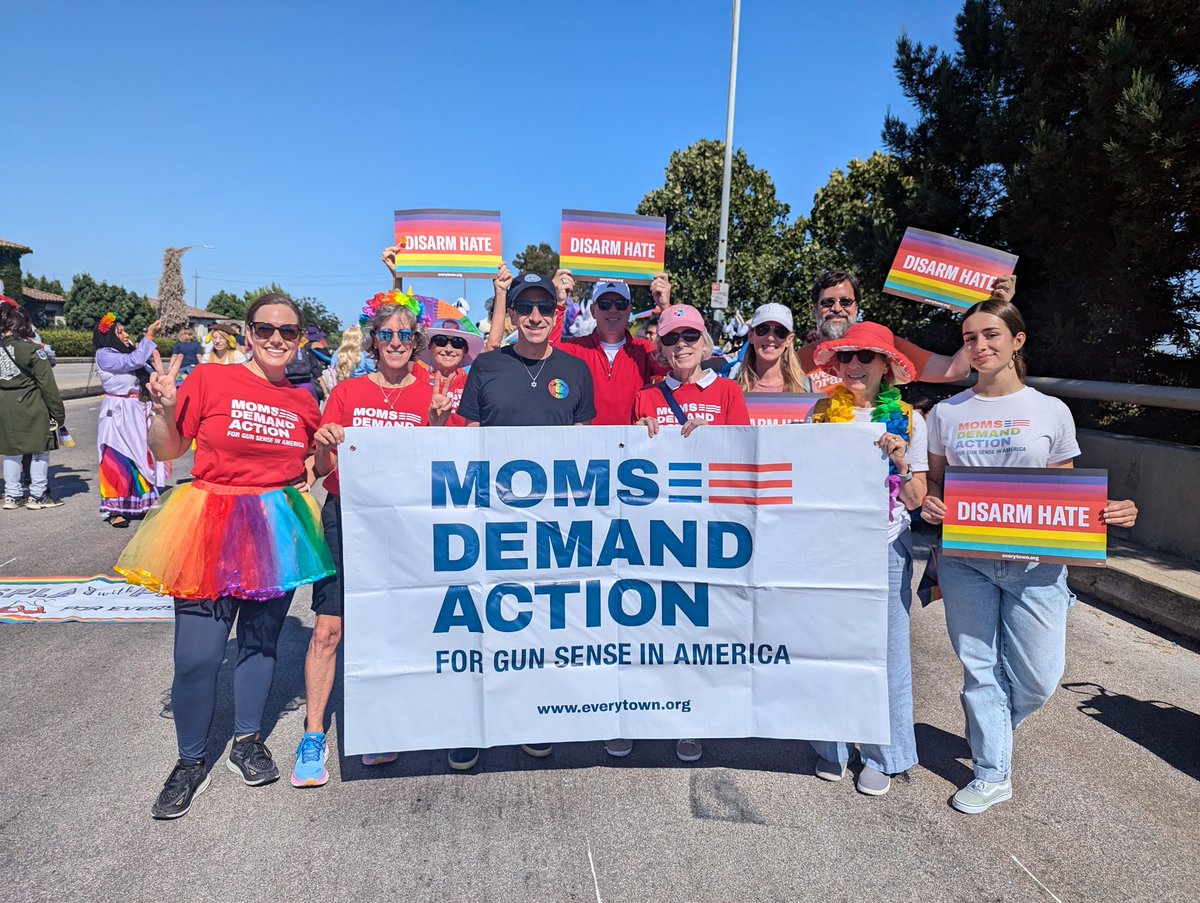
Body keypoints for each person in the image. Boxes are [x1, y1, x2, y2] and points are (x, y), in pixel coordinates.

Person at [115, 292, 336, 820]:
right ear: (248, 333)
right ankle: (190, 761)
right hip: (209, 522)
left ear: (300, 337)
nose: (277, 340)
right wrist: (166, 410)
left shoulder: (305, 400)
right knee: (196, 656)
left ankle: (245, 740)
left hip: (276, 526)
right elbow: (168, 450)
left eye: (287, 331)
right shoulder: (211, 380)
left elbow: (318, 468)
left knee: (260, 645)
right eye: (265, 330)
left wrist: (325, 447)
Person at [920, 297, 1138, 814]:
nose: (980, 346)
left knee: (1040, 679)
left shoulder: (1050, 411)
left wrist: (1108, 513)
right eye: (970, 337)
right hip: (966, 560)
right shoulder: (947, 413)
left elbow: (1060, 490)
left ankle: (988, 722)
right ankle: (993, 772)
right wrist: (930, 502)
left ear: (1017, 341)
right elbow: (935, 482)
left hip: (1036, 567)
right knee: (980, 669)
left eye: (991, 335)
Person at [293, 294, 447, 787]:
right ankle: (313, 732)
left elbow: (447, 468)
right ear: (373, 340)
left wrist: (442, 426)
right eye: (387, 335)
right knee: (328, 630)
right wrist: (323, 443)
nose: (397, 343)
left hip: (406, 524)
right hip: (349, 516)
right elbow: (320, 473)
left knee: (393, 625)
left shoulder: (432, 392)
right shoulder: (348, 392)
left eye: (406, 335)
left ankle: (381, 722)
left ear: (416, 341)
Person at [450, 271, 596, 770]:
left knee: (538, 624)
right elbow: (465, 438)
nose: (535, 316)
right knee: (481, 623)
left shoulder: (576, 371)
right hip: (490, 519)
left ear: (556, 315)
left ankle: (533, 716)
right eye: (525, 308)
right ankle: (471, 724)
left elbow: (587, 449)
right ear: (511, 315)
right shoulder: (487, 365)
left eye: (544, 309)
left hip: (553, 524)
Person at [806, 322, 927, 796]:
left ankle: (884, 753)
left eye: (867, 357)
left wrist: (901, 460)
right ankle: (829, 746)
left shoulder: (911, 419)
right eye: (847, 357)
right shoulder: (819, 413)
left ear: (886, 366)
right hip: (830, 546)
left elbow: (916, 499)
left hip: (885, 544)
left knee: (888, 651)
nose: (855, 365)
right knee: (828, 646)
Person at [632, 303, 750, 763]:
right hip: (656, 530)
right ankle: (638, 714)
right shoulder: (646, 395)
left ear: (705, 342)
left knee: (697, 628)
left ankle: (690, 719)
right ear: (659, 348)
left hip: (709, 529)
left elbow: (745, 457)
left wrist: (714, 435)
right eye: (672, 339)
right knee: (649, 624)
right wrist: (638, 431)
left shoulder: (727, 392)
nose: (681, 346)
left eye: (689, 337)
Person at [800, 270, 1015, 394]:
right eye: (828, 302)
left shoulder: (882, 344)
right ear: (815, 308)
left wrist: (992, 308)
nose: (837, 308)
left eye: (845, 301)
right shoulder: (794, 359)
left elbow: (953, 370)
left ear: (857, 307)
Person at [545, 270, 671, 424]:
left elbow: (673, 364)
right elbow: (546, 358)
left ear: (629, 310)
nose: (613, 310)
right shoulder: (577, 348)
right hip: (587, 445)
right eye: (604, 304)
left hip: (631, 444)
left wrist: (665, 308)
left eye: (620, 304)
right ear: (593, 310)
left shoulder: (644, 349)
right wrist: (557, 302)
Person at [94, 313, 171, 527]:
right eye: (120, 332)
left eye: (124, 330)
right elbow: (132, 361)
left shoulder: (129, 354)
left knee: (140, 455)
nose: (126, 334)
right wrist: (149, 335)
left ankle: (142, 503)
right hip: (116, 411)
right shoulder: (105, 354)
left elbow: (148, 372)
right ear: (109, 336)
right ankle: (115, 509)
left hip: (136, 410)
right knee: (116, 457)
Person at [1, 302, 65, 510]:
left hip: (5, 405)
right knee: (40, 450)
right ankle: (38, 494)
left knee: (12, 451)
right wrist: (57, 414)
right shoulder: (31, 350)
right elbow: (48, 386)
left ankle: (12, 494)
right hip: (30, 404)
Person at [420, 314, 484, 427]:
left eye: (457, 343)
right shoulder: (417, 377)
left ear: (465, 351)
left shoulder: (473, 384)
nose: (448, 349)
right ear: (429, 347)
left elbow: (493, 344)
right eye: (441, 341)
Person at [736, 303, 807, 394]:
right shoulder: (731, 389)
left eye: (780, 332)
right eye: (763, 329)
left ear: (789, 339)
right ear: (751, 335)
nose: (770, 337)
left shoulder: (808, 390)